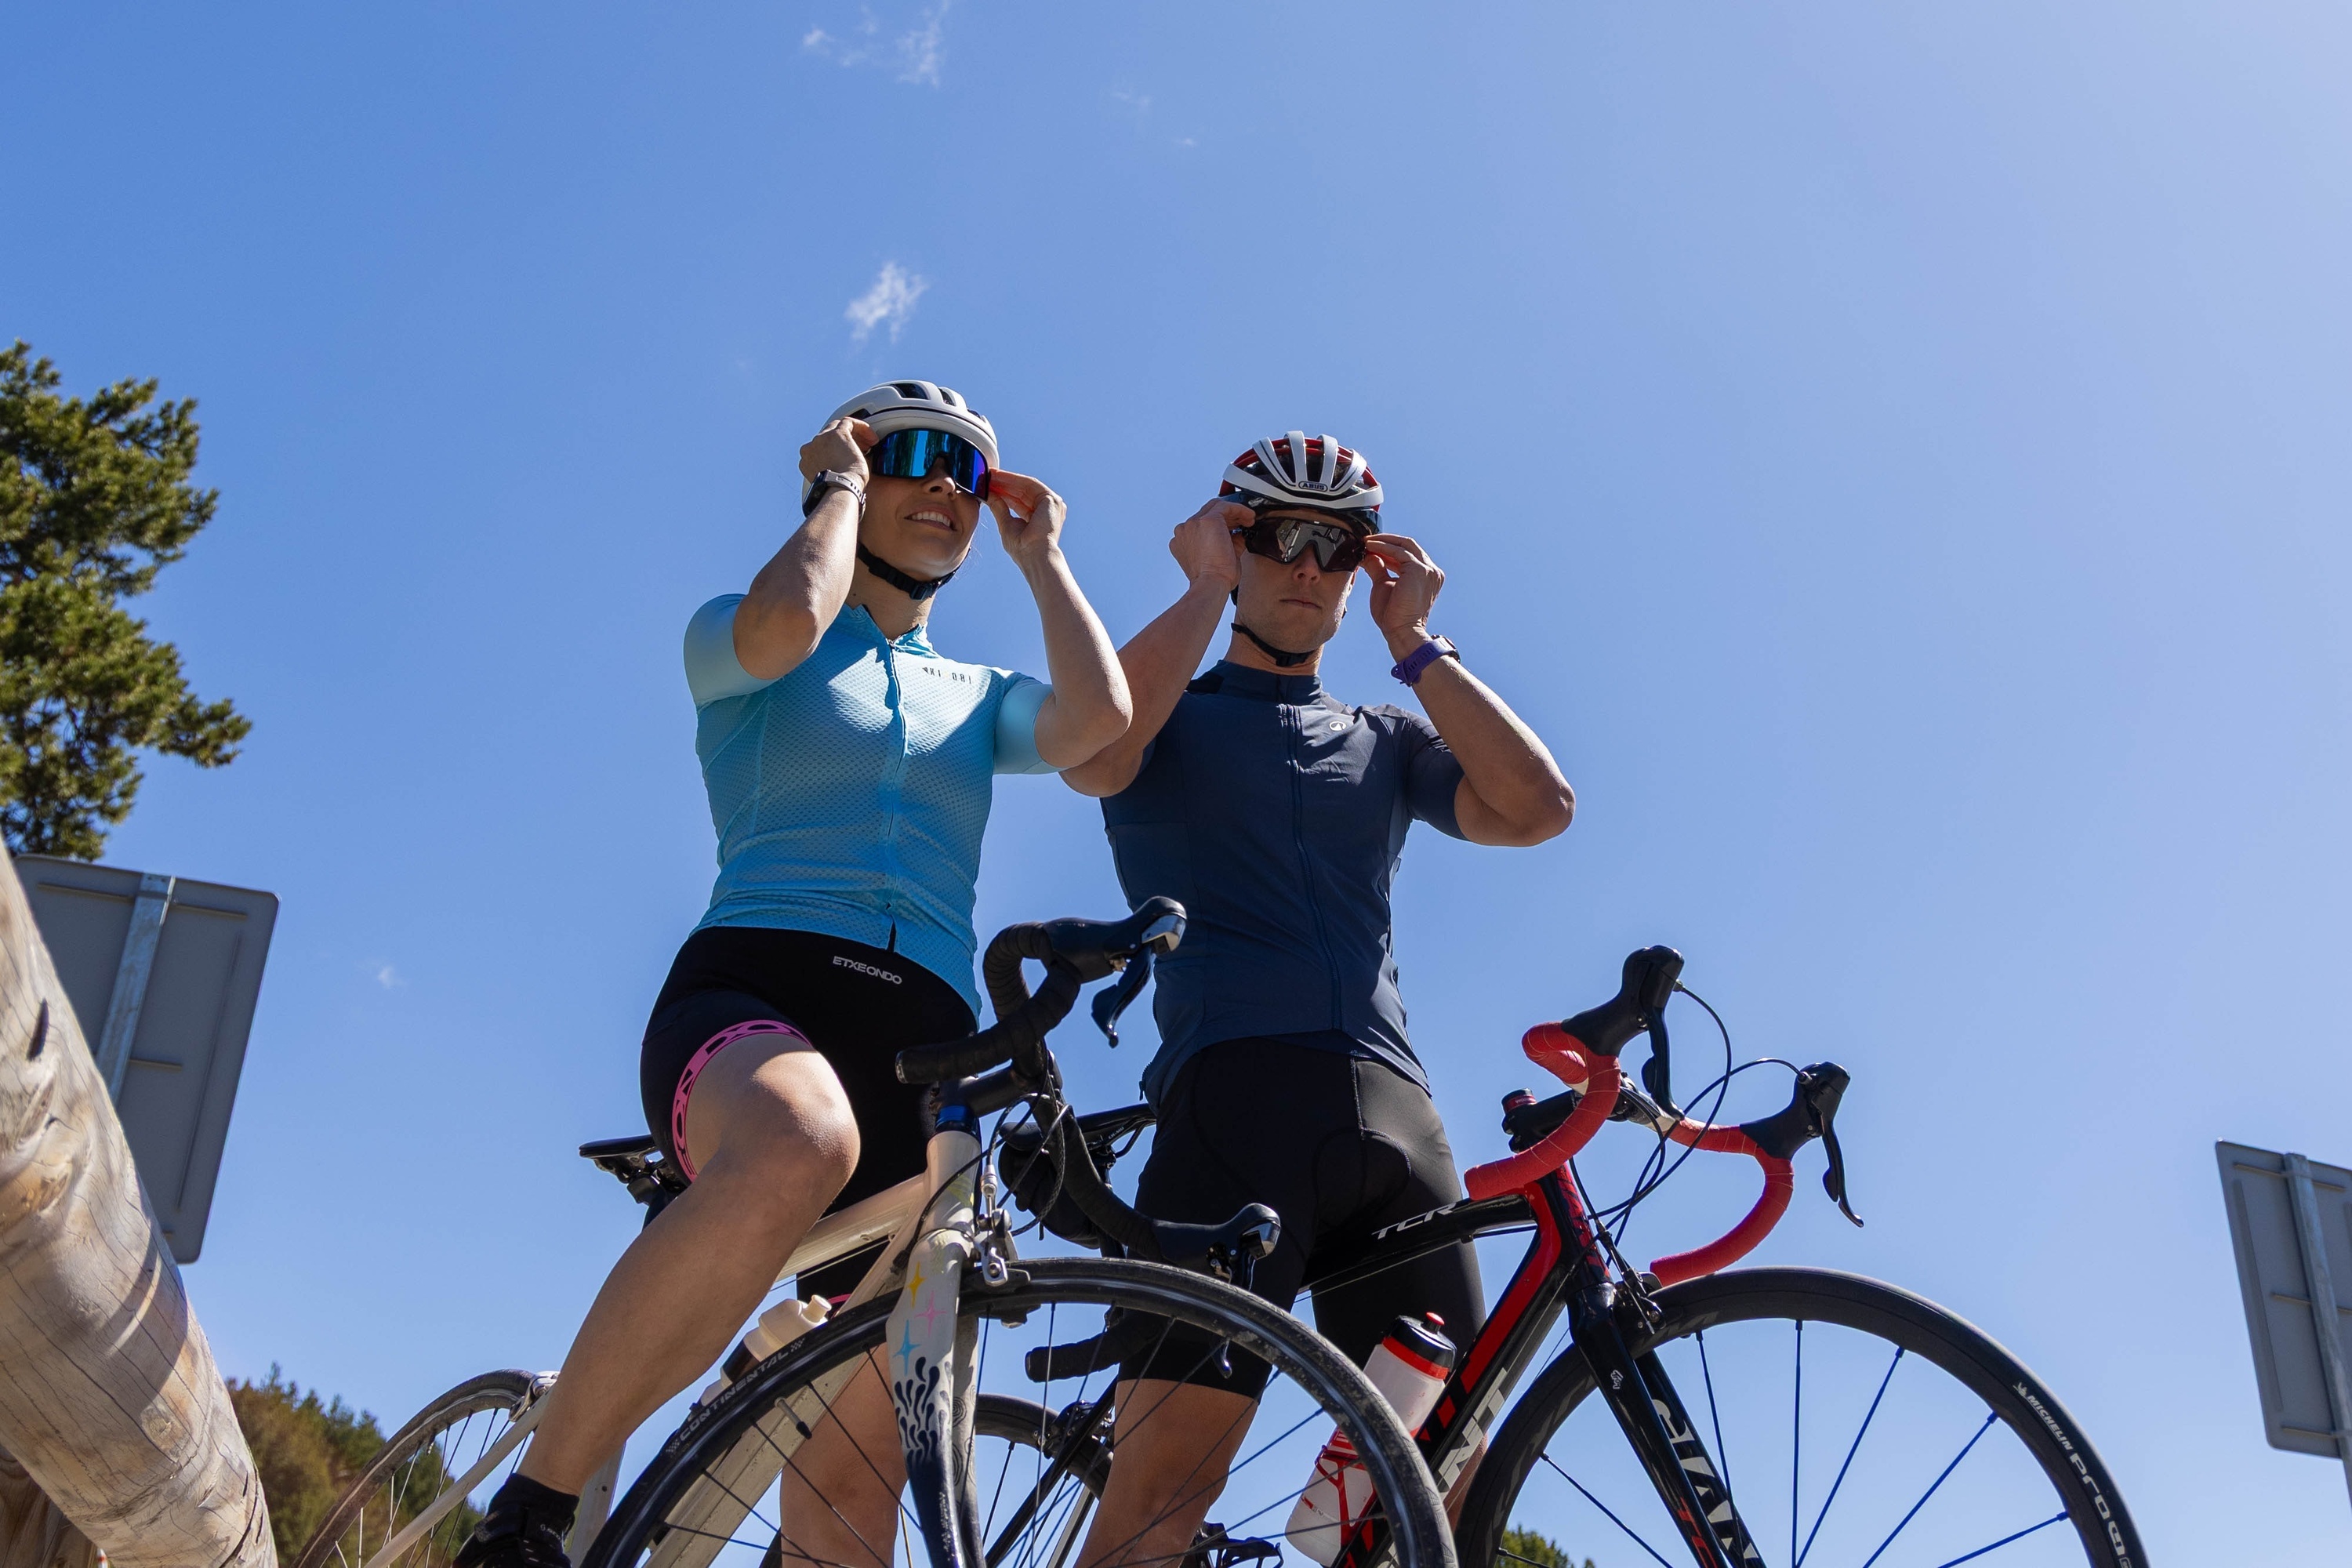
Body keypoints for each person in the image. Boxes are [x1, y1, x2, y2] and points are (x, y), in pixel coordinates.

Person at [456, 381, 1131, 1567]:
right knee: (800, 1143)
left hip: (922, 1056)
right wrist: (837, 488)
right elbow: (785, 624)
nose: (945, 483)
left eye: (968, 471)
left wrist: (1042, 559)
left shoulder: (975, 697)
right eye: (912, 454)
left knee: (859, 1465)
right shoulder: (749, 632)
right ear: (857, 470)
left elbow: (1100, 722)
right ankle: (529, 1517)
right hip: (758, 995)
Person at [1058, 432, 1575, 1566]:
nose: (1305, 566)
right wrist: (1203, 585)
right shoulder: (1167, 712)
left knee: (1438, 1516)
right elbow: (1092, 753)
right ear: (1236, 544)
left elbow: (1538, 808)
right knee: (1157, 1509)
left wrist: (1416, 644)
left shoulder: (1386, 740)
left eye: (1335, 548)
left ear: (1361, 572)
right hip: (1234, 1114)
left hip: (1400, 1127)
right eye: (1278, 537)